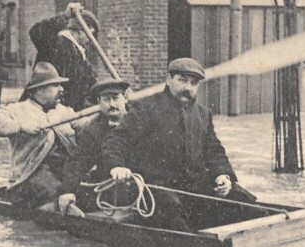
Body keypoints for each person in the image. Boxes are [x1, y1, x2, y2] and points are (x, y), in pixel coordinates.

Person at [101, 58, 256, 231]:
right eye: (182, 80)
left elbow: (215, 151)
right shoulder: (145, 108)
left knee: (244, 201)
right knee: (175, 216)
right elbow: (117, 139)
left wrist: (223, 176)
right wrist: (116, 166)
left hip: (194, 189)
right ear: (169, 79)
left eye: (193, 83)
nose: (188, 87)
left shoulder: (203, 114)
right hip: (156, 190)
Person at [0, 62, 89, 209]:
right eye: (55, 85)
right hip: (27, 179)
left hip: (61, 174)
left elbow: (84, 124)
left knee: (85, 194)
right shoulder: (18, 110)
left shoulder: (63, 111)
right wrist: (20, 126)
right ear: (39, 90)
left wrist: (106, 112)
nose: (61, 89)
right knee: (56, 192)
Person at [56, 78, 131, 216]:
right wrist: (67, 191)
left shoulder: (139, 121)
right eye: (106, 100)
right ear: (98, 102)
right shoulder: (93, 131)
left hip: (142, 187)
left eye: (115, 98)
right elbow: (77, 161)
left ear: (125, 98)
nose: (112, 104)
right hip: (109, 190)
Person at [29, 2, 99, 112]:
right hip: (42, 110)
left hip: (65, 112)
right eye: (91, 34)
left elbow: (91, 83)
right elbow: (36, 32)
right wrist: (64, 16)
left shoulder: (79, 54)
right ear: (79, 31)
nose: (91, 40)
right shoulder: (57, 43)